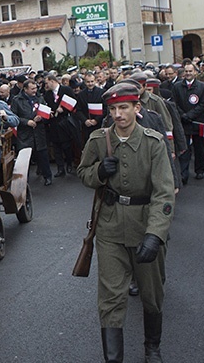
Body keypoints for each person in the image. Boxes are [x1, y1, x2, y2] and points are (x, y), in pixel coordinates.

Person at [77, 82, 175, 363]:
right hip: (109, 227)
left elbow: (164, 194)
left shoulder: (153, 143)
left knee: (152, 293)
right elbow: (82, 173)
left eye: (124, 108)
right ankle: (113, 359)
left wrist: (156, 234)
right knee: (110, 297)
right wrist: (98, 171)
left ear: (137, 108)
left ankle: (152, 348)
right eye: (113, 109)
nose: (118, 114)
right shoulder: (98, 140)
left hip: (146, 225)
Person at [172, 63, 204, 183]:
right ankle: (184, 174)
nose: (188, 73)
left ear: (195, 72)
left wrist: (190, 115)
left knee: (199, 148)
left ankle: (199, 170)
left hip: (197, 121)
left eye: (190, 71)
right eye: (186, 71)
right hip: (183, 122)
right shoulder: (177, 86)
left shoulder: (202, 86)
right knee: (184, 149)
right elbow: (174, 103)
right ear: (184, 73)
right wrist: (183, 115)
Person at [11, 79, 53, 185]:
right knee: (25, 159)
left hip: (39, 132)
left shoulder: (39, 98)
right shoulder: (17, 100)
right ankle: (24, 181)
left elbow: (46, 112)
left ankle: (47, 176)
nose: (34, 91)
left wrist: (41, 118)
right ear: (25, 89)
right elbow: (14, 117)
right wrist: (26, 122)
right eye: (32, 89)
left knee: (43, 155)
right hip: (25, 133)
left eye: (35, 88)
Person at [43, 74, 79, 177]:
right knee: (56, 146)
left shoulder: (66, 90)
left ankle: (69, 163)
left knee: (66, 145)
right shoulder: (48, 94)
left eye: (47, 83)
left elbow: (74, 102)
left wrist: (64, 109)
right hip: (54, 123)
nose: (46, 85)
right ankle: (60, 168)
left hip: (65, 122)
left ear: (52, 81)